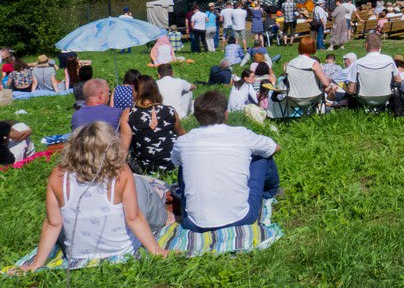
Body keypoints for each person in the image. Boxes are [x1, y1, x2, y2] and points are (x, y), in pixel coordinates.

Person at [20, 122, 169, 271]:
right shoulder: (121, 172)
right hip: (122, 250)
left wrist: (36, 264)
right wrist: (157, 251)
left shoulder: (58, 174)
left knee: (58, 220)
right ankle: (167, 216)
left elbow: (53, 224)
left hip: (77, 255)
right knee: (140, 183)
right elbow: (133, 217)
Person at [171, 91, 280, 232]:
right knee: (262, 157)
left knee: (183, 164)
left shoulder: (184, 141)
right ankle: (268, 193)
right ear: (226, 114)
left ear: (196, 118)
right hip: (241, 218)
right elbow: (273, 148)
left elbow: (175, 161)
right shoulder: (242, 134)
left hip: (194, 223)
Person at [120, 75, 186, 173]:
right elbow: (182, 135)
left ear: (138, 91)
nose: (132, 94)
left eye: (133, 90)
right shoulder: (170, 111)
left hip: (146, 169)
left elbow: (123, 149)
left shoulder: (129, 114)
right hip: (172, 167)